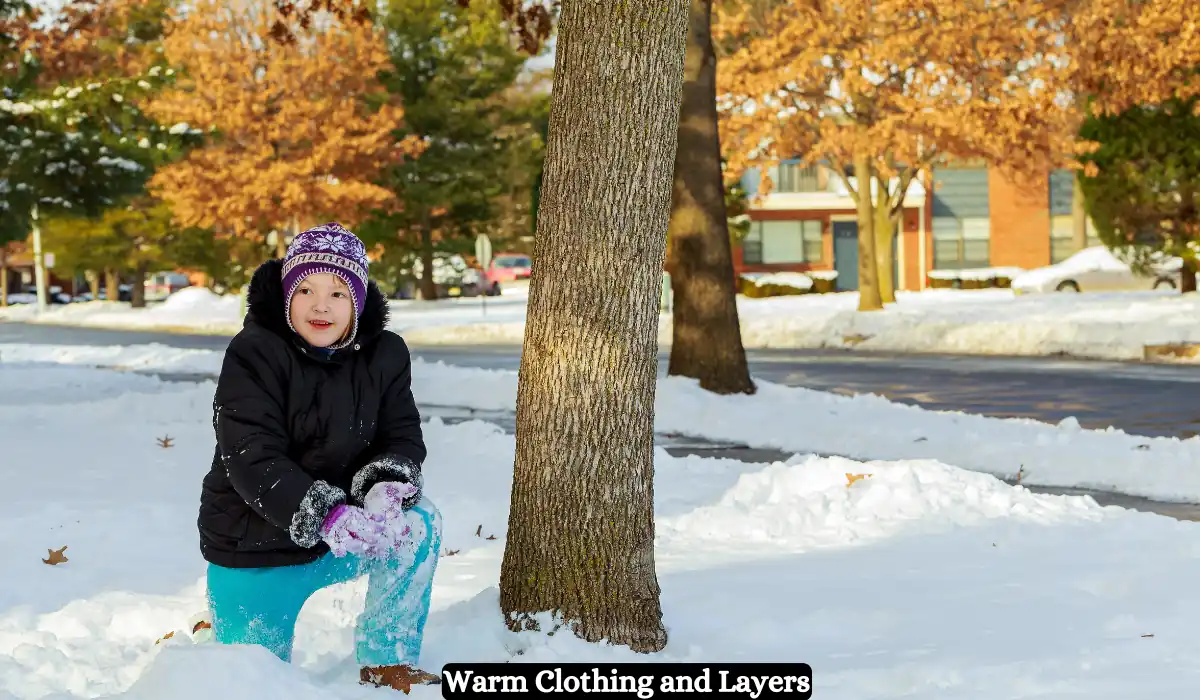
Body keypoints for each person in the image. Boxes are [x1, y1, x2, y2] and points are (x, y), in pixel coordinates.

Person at [196, 222, 442, 692]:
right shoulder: (255, 352)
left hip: (347, 538)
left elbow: (402, 433)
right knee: (250, 681)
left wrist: (386, 487)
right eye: (305, 288)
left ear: (359, 302)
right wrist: (324, 513)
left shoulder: (385, 354)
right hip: (255, 548)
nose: (320, 305)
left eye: (338, 292)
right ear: (287, 296)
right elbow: (251, 454)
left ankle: (387, 660)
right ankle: (218, 626)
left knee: (418, 527)